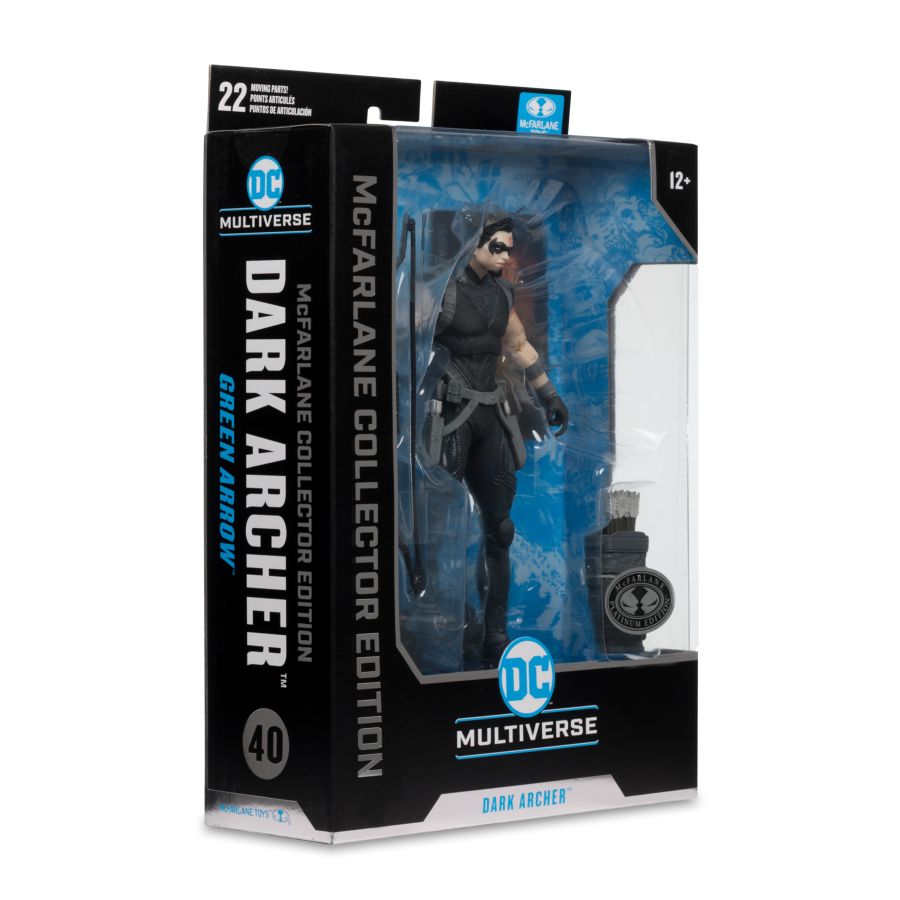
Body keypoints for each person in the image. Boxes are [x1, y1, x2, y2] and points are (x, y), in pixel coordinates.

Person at [425, 217, 569, 668]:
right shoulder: (442, 294)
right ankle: (444, 621)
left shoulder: (502, 294)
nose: (507, 256)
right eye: (498, 247)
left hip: (490, 415)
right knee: (441, 527)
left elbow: (520, 347)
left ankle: (495, 632)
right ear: (473, 245)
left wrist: (550, 396)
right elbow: (403, 343)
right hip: (451, 418)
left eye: (509, 248)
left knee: (500, 530)